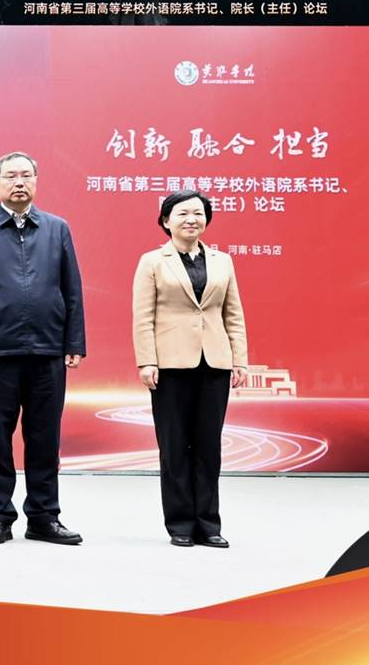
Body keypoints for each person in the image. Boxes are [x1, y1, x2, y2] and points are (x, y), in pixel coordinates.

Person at [0, 151, 86, 546]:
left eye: (26, 175)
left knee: (45, 439)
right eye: (11, 176)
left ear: (36, 182)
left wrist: (74, 340)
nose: (19, 182)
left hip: (48, 349)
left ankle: (44, 517)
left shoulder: (57, 229)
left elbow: (72, 289)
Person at [132, 191, 247, 548]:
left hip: (214, 364)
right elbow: (143, 316)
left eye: (198, 213)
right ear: (166, 221)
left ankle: (209, 524)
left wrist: (239, 359)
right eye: (182, 213)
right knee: (174, 446)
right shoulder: (152, 261)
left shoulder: (222, 261)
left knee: (209, 447)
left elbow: (233, 314)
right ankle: (180, 523)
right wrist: (147, 360)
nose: (191, 219)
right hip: (170, 365)